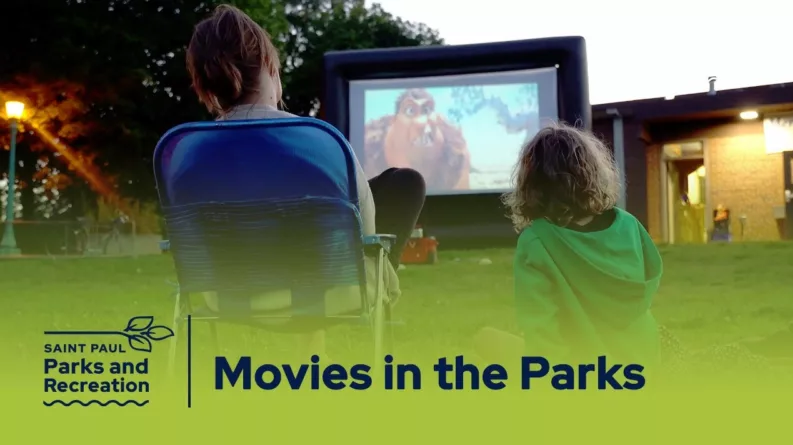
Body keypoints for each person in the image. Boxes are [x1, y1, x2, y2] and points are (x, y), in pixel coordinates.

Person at [184, 5, 426, 360]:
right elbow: (367, 230)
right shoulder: (318, 142)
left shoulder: (192, 155)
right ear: (269, 69)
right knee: (405, 184)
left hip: (227, 294)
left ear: (206, 86)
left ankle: (311, 349)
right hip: (334, 289)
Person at [475, 123, 663, 370]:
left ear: (531, 185)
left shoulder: (536, 241)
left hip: (583, 375)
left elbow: (542, 331)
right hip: (645, 361)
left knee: (485, 340)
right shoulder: (629, 225)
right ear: (596, 173)